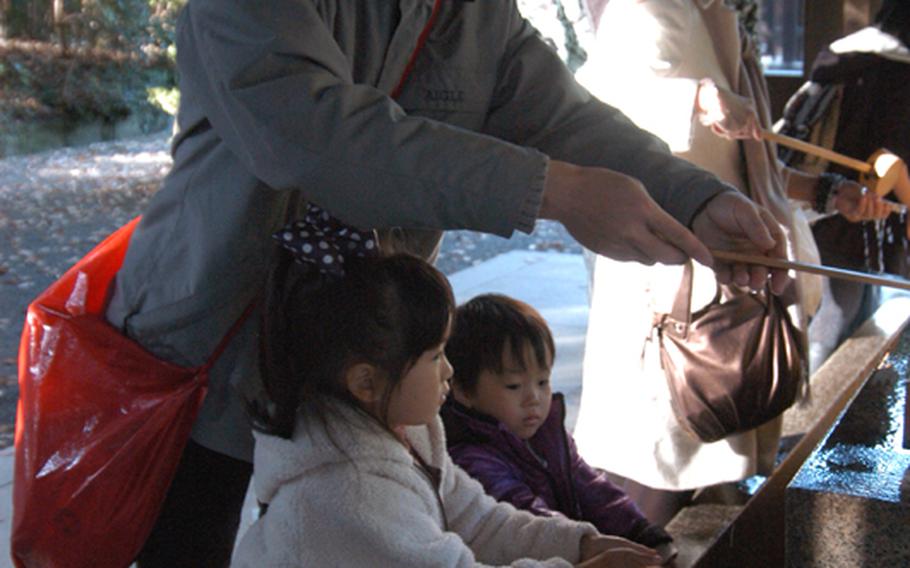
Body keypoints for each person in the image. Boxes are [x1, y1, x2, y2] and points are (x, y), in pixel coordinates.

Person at [105, 2, 794, 564]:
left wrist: (695, 200)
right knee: (191, 540)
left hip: (364, 345)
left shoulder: (476, 16)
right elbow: (317, 135)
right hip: (204, 345)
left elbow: (560, 117)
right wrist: (552, 189)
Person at [571, 0, 889, 525]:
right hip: (667, 284)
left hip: (731, 279)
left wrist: (832, 192)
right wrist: (695, 98)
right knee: (658, 463)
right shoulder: (642, 9)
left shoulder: (716, 16)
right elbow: (600, 111)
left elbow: (749, 159)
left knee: (704, 457)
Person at [232, 248, 664, 567]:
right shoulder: (351, 497)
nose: (450, 371)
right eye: (436, 355)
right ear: (367, 381)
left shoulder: (407, 429)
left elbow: (479, 521)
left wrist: (579, 545)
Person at [440, 294, 677, 565]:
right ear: (462, 390)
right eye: (514, 386)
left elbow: (591, 488)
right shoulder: (471, 461)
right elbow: (526, 519)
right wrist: (589, 548)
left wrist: (641, 532)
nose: (534, 398)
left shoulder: (546, 435)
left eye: (542, 382)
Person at [776, 0, 910, 367]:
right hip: (879, 221)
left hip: (832, 211)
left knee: (826, 333)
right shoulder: (862, 62)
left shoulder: (845, 57)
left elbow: (793, 130)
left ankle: (810, 414)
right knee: (868, 341)